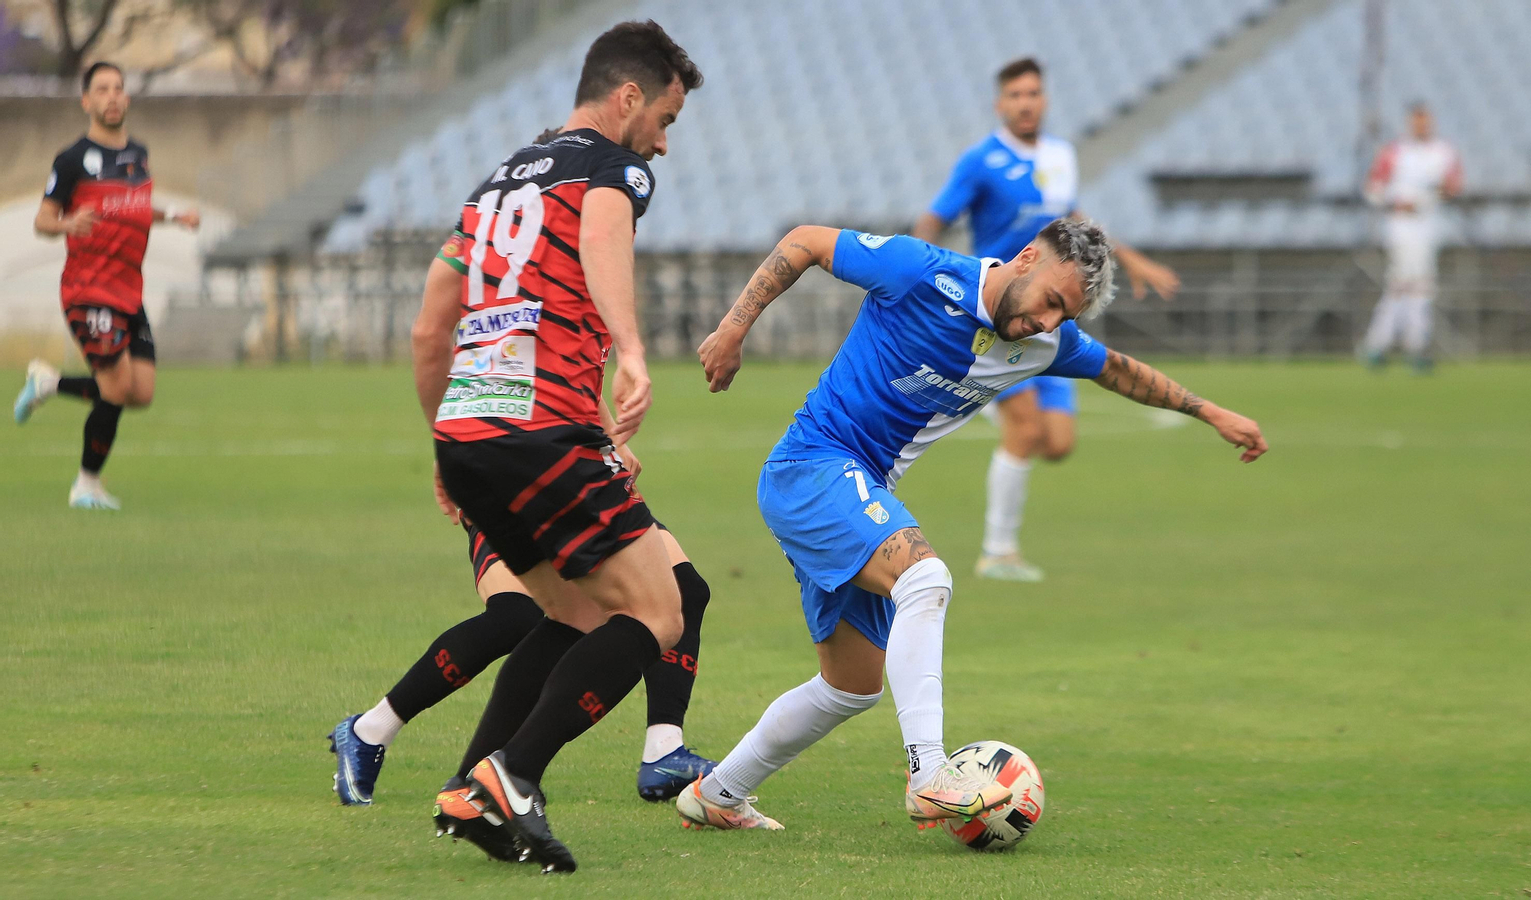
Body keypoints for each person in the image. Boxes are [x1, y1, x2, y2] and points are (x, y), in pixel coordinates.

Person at [683, 218, 1266, 833]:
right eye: (1050, 301)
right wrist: (733, 328)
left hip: (858, 489)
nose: (1048, 322)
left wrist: (1210, 412)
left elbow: (1115, 368)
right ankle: (929, 774)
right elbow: (807, 240)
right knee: (925, 579)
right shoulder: (920, 272)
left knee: (850, 686)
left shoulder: (1047, 342)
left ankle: (719, 793)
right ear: (1026, 258)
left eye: (1064, 316)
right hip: (813, 467)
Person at [408, 20, 701, 872]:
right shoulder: (613, 168)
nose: (662, 144)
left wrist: (443, 448)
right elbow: (602, 232)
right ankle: (513, 778)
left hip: (469, 433)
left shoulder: (494, 184)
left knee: (572, 615)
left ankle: (470, 785)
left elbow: (430, 330)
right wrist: (631, 350)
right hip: (544, 431)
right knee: (659, 612)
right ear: (629, 96)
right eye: (665, 121)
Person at [912, 57, 1180, 582]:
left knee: (1057, 442)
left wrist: (1131, 259)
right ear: (1000, 104)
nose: (1025, 103)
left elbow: (1074, 223)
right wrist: (924, 277)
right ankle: (998, 552)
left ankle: (982, 401)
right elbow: (933, 218)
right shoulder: (981, 161)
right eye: (1015, 95)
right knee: (1027, 428)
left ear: (1045, 99)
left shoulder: (1060, 156)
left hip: (1051, 320)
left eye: (1033, 93)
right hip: (1000, 316)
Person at [326, 511, 717, 810]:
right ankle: (376, 730)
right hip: (515, 468)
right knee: (518, 615)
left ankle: (663, 750)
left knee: (681, 589)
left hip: (583, 472)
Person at [13, 61, 200, 509]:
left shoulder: (138, 153)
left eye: (118, 88)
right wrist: (67, 223)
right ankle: (86, 485)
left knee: (141, 392)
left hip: (128, 290)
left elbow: (132, 206)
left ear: (127, 97)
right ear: (86, 101)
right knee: (115, 388)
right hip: (88, 289)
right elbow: (42, 220)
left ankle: (49, 384)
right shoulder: (72, 159)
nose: (112, 96)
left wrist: (175, 216)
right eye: (102, 89)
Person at [1361, 101, 1463, 372]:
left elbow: (1454, 185)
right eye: (1416, 120)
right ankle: (1405, 345)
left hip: (1429, 223)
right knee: (1410, 284)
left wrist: (1435, 194)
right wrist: (1395, 203)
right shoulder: (1395, 151)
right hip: (1400, 224)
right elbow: (1373, 188)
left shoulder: (1443, 151)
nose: (1421, 125)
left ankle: (1387, 344)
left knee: (1411, 285)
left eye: (1424, 120)